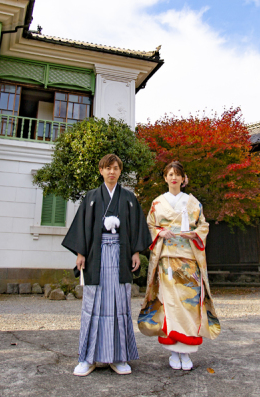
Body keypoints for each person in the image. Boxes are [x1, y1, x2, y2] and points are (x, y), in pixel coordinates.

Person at [62, 153, 152, 377]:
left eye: (115, 168)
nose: (112, 171)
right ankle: (87, 358)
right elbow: (83, 227)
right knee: (93, 306)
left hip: (121, 257)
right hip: (96, 257)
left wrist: (136, 252)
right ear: (101, 171)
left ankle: (119, 357)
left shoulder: (129, 198)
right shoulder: (91, 196)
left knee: (119, 305)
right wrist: (80, 253)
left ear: (120, 171)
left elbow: (135, 228)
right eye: (107, 168)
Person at [137, 161, 220, 371]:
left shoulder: (194, 203)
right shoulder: (157, 203)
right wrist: (159, 232)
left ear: (184, 179)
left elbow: (203, 225)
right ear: (165, 178)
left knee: (190, 305)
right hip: (167, 260)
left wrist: (195, 234)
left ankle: (187, 351)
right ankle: (174, 351)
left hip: (188, 259)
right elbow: (150, 224)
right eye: (170, 174)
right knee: (170, 304)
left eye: (177, 174)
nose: (174, 178)